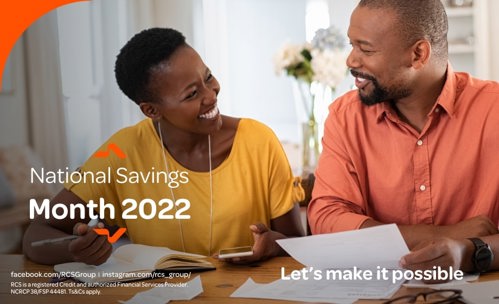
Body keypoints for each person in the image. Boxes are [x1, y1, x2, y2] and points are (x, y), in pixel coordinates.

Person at [23, 27, 305, 265]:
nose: (211, 94)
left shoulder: (258, 141)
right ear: (151, 110)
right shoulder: (123, 152)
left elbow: (296, 243)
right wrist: (73, 249)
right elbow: (36, 234)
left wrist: (271, 245)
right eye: (192, 93)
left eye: (207, 77)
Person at [308, 0, 499, 275]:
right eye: (352, 45)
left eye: (366, 49)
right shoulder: (345, 117)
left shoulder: (493, 110)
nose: (351, 60)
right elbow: (327, 220)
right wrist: (444, 234)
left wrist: (470, 252)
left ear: (418, 54)